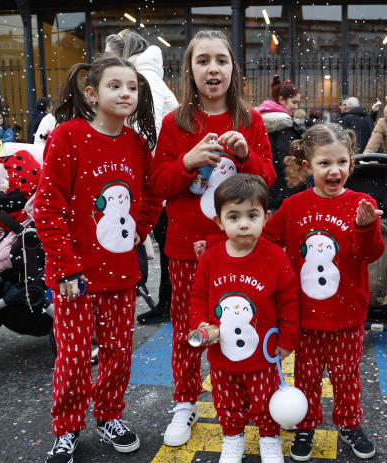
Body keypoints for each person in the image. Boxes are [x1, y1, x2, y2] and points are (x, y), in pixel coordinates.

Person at [149, 30, 275, 448]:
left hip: (241, 251)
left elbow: (268, 180)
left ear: (233, 69)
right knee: (189, 328)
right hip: (187, 251)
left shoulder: (250, 120)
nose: (212, 68)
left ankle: (252, 405)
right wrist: (187, 161)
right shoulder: (175, 123)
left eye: (221, 60)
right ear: (190, 70)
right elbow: (158, 185)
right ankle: (185, 402)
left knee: (244, 323)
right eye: (202, 61)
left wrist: (245, 157)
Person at [34, 55, 161, 463]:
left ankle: (108, 417)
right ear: (91, 93)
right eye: (115, 86)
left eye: (132, 87)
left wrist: (140, 229)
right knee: (72, 360)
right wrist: (67, 267)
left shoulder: (138, 144)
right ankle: (67, 429)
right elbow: (48, 208)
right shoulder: (67, 136)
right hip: (75, 277)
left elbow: (152, 193)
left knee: (118, 354)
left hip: (122, 275)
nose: (126, 93)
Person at [262, 123, 385, 461]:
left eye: (342, 162)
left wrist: (364, 226)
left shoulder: (363, 203)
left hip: (347, 314)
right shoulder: (293, 207)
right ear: (307, 166)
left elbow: (371, 254)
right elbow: (267, 245)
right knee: (307, 375)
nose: (335, 170)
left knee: (347, 377)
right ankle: (305, 424)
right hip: (304, 316)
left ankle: (349, 424)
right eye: (325, 164)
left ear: (351, 163)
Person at [190, 174, 299, 462]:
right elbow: (199, 296)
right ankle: (233, 438)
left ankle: (269, 437)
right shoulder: (211, 258)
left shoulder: (276, 257)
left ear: (266, 216)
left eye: (252, 215)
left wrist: (288, 339)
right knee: (227, 403)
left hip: (263, 355)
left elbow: (288, 300)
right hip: (221, 355)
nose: (243, 224)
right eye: (233, 216)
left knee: (265, 403)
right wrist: (200, 323)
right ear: (219, 222)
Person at [105, 29, 181, 325]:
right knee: (164, 241)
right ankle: (168, 301)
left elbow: (144, 132)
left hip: (155, 173)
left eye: (111, 54)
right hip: (161, 170)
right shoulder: (147, 76)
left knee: (164, 240)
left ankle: (167, 302)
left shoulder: (141, 79)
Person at [256, 75, 305, 210]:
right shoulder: (284, 126)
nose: (296, 107)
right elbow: (289, 159)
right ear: (282, 100)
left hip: (266, 189)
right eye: (294, 102)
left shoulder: (261, 121)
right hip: (283, 192)